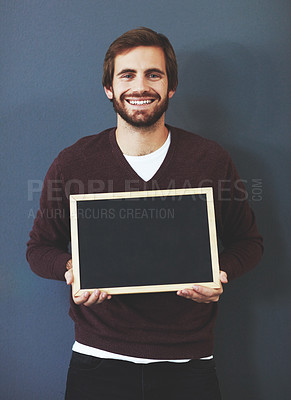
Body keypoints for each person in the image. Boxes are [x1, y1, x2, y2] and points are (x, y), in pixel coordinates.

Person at [26, 27, 263, 400]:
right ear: (109, 88)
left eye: (154, 74)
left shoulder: (210, 160)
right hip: (98, 361)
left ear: (170, 87)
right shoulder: (74, 162)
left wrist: (223, 272)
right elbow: (39, 249)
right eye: (127, 75)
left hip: (189, 364)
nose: (140, 86)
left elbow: (249, 242)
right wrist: (71, 271)